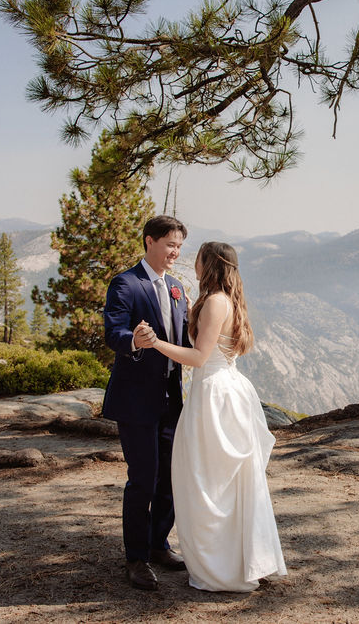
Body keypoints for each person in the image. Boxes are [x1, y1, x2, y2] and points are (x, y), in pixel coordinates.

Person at [143, 241, 286, 592]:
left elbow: (198, 358)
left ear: (210, 264)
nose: (193, 264)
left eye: (198, 259)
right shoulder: (227, 300)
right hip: (228, 389)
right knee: (228, 482)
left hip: (213, 396)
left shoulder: (216, 304)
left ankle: (221, 567)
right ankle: (239, 559)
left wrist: (156, 343)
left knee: (205, 481)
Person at [102, 215, 190, 591]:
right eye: (170, 244)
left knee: (170, 477)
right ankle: (135, 559)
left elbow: (184, 336)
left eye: (180, 246)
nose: (175, 252)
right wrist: (134, 341)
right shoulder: (125, 283)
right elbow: (113, 331)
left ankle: (158, 544)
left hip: (172, 397)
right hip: (136, 399)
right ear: (150, 241)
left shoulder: (177, 287)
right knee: (143, 480)